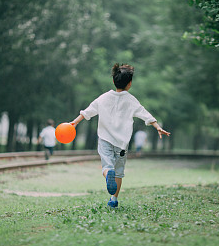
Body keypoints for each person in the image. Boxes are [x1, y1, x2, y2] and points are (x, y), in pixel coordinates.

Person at [70, 63, 170, 208]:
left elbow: (88, 112)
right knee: (119, 173)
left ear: (113, 81)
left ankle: (107, 174)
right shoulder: (131, 100)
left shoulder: (103, 98)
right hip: (122, 144)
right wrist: (157, 126)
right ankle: (114, 199)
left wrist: (74, 122)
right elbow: (144, 114)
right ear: (129, 84)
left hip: (105, 139)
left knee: (107, 166)